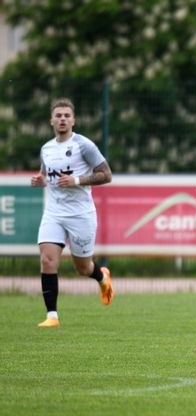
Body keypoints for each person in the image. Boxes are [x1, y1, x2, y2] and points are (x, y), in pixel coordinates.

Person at [30, 98, 114, 328]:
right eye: (58, 115)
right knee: (47, 260)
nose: (63, 119)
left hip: (81, 214)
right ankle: (52, 316)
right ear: (51, 121)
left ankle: (101, 276)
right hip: (54, 213)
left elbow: (106, 175)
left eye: (67, 115)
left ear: (73, 120)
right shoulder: (46, 148)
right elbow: (46, 175)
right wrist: (41, 180)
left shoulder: (84, 145)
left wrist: (77, 180)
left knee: (83, 268)